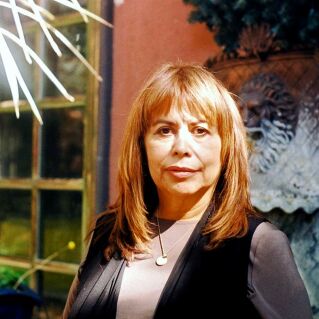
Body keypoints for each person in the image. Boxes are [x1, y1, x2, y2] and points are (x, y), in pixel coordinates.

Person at [63, 63, 312, 319]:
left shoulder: (259, 245)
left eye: (200, 130)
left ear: (226, 149)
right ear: (142, 146)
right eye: (165, 130)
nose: (182, 147)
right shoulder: (108, 233)